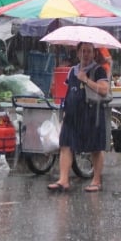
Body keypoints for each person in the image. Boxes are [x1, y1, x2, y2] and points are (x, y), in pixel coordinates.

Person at [48, 42, 110, 192]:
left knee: (95, 147)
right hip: (72, 115)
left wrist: (86, 80)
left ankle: (96, 181)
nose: (86, 54)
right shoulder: (72, 71)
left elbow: (104, 90)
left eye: (89, 51)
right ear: (78, 53)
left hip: (92, 114)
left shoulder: (98, 70)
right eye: (83, 51)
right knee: (65, 145)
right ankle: (63, 180)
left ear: (94, 54)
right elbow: (70, 91)